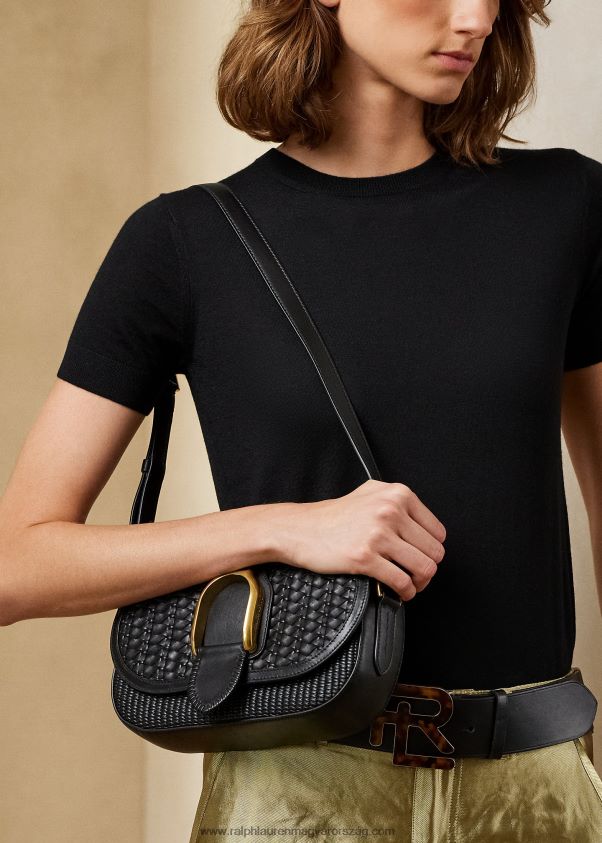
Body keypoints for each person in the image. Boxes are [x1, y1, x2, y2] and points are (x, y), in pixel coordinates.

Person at [1, 0, 601, 840]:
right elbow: (17, 564)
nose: (473, 17)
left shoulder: (567, 207)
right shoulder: (184, 241)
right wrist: (281, 529)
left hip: (538, 793)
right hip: (293, 800)